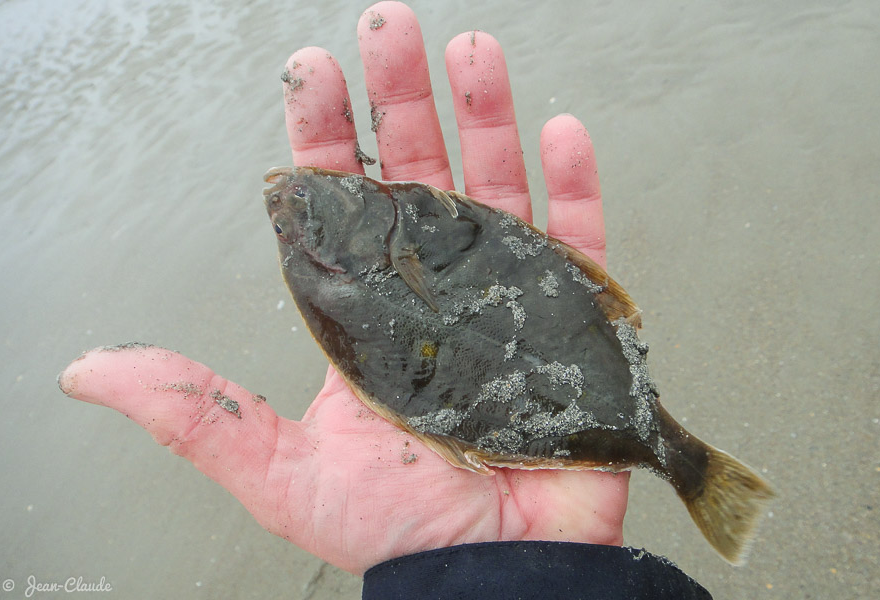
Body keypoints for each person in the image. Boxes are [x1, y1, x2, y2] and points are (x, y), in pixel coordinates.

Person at [59, 2, 710, 598]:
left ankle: (672, 452)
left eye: (298, 213)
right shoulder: (351, 265)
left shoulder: (362, 258)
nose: (285, 206)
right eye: (290, 220)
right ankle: (668, 449)